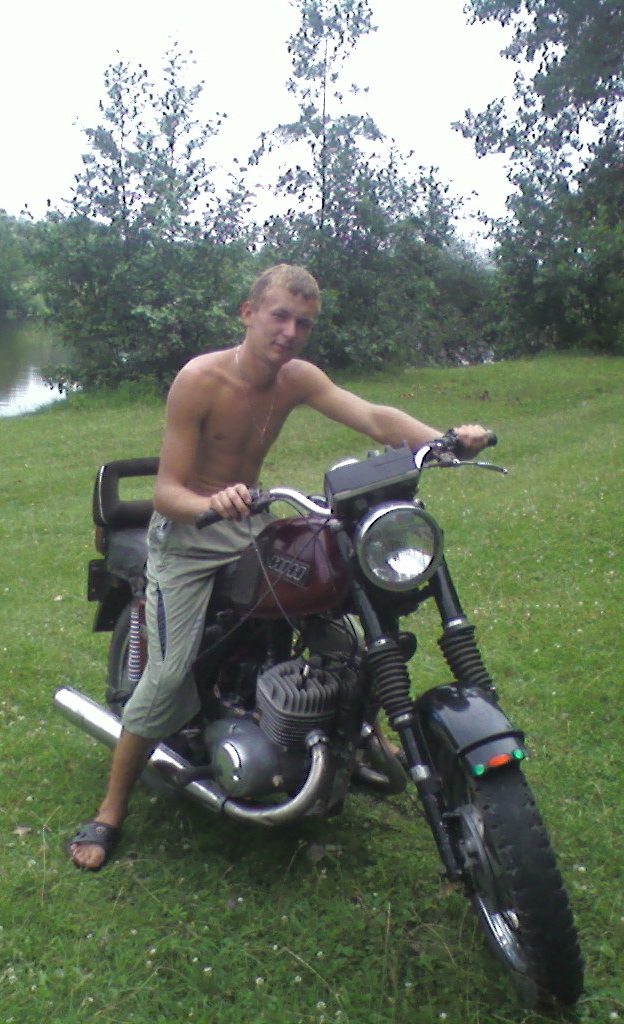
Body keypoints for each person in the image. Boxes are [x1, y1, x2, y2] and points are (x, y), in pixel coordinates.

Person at [68, 264, 493, 870]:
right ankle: (111, 809)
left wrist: (443, 440)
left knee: (333, 614)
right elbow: (166, 492)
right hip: (189, 535)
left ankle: (352, 731)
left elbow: (373, 417)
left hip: (249, 520)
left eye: (304, 323)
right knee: (166, 679)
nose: (291, 332)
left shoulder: (297, 378)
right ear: (248, 313)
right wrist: (211, 502)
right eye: (280, 316)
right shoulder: (200, 380)